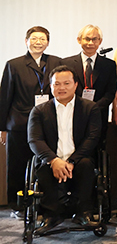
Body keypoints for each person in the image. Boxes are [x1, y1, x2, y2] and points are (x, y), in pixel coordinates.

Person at [27, 66, 101, 232]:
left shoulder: (90, 108)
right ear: (51, 86)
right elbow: (34, 140)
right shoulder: (39, 111)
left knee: (86, 165)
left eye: (66, 83)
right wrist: (54, 160)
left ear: (75, 85)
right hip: (51, 158)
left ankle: (84, 212)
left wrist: (72, 161)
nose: (61, 88)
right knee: (43, 169)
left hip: (80, 158)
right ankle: (51, 215)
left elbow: (92, 138)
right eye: (57, 84)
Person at [1, 26, 61, 214]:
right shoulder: (14, 64)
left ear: (48, 42)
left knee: (44, 164)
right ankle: (18, 206)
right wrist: (2, 127)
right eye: (34, 38)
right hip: (19, 123)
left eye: (42, 39)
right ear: (26, 41)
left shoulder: (56, 62)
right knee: (17, 165)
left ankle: (45, 206)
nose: (38, 42)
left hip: (47, 122)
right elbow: (5, 97)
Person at [61, 24, 117, 146]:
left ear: (100, 41)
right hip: (73, 112)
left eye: (94, 39)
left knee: (96, 147)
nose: (90, 43)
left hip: (98, 113)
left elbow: (111, 91)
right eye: (87, 39)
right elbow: (63, 89)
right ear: (79, 40)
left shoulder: (109, 65)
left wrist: (95, 107)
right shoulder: (66, 63)